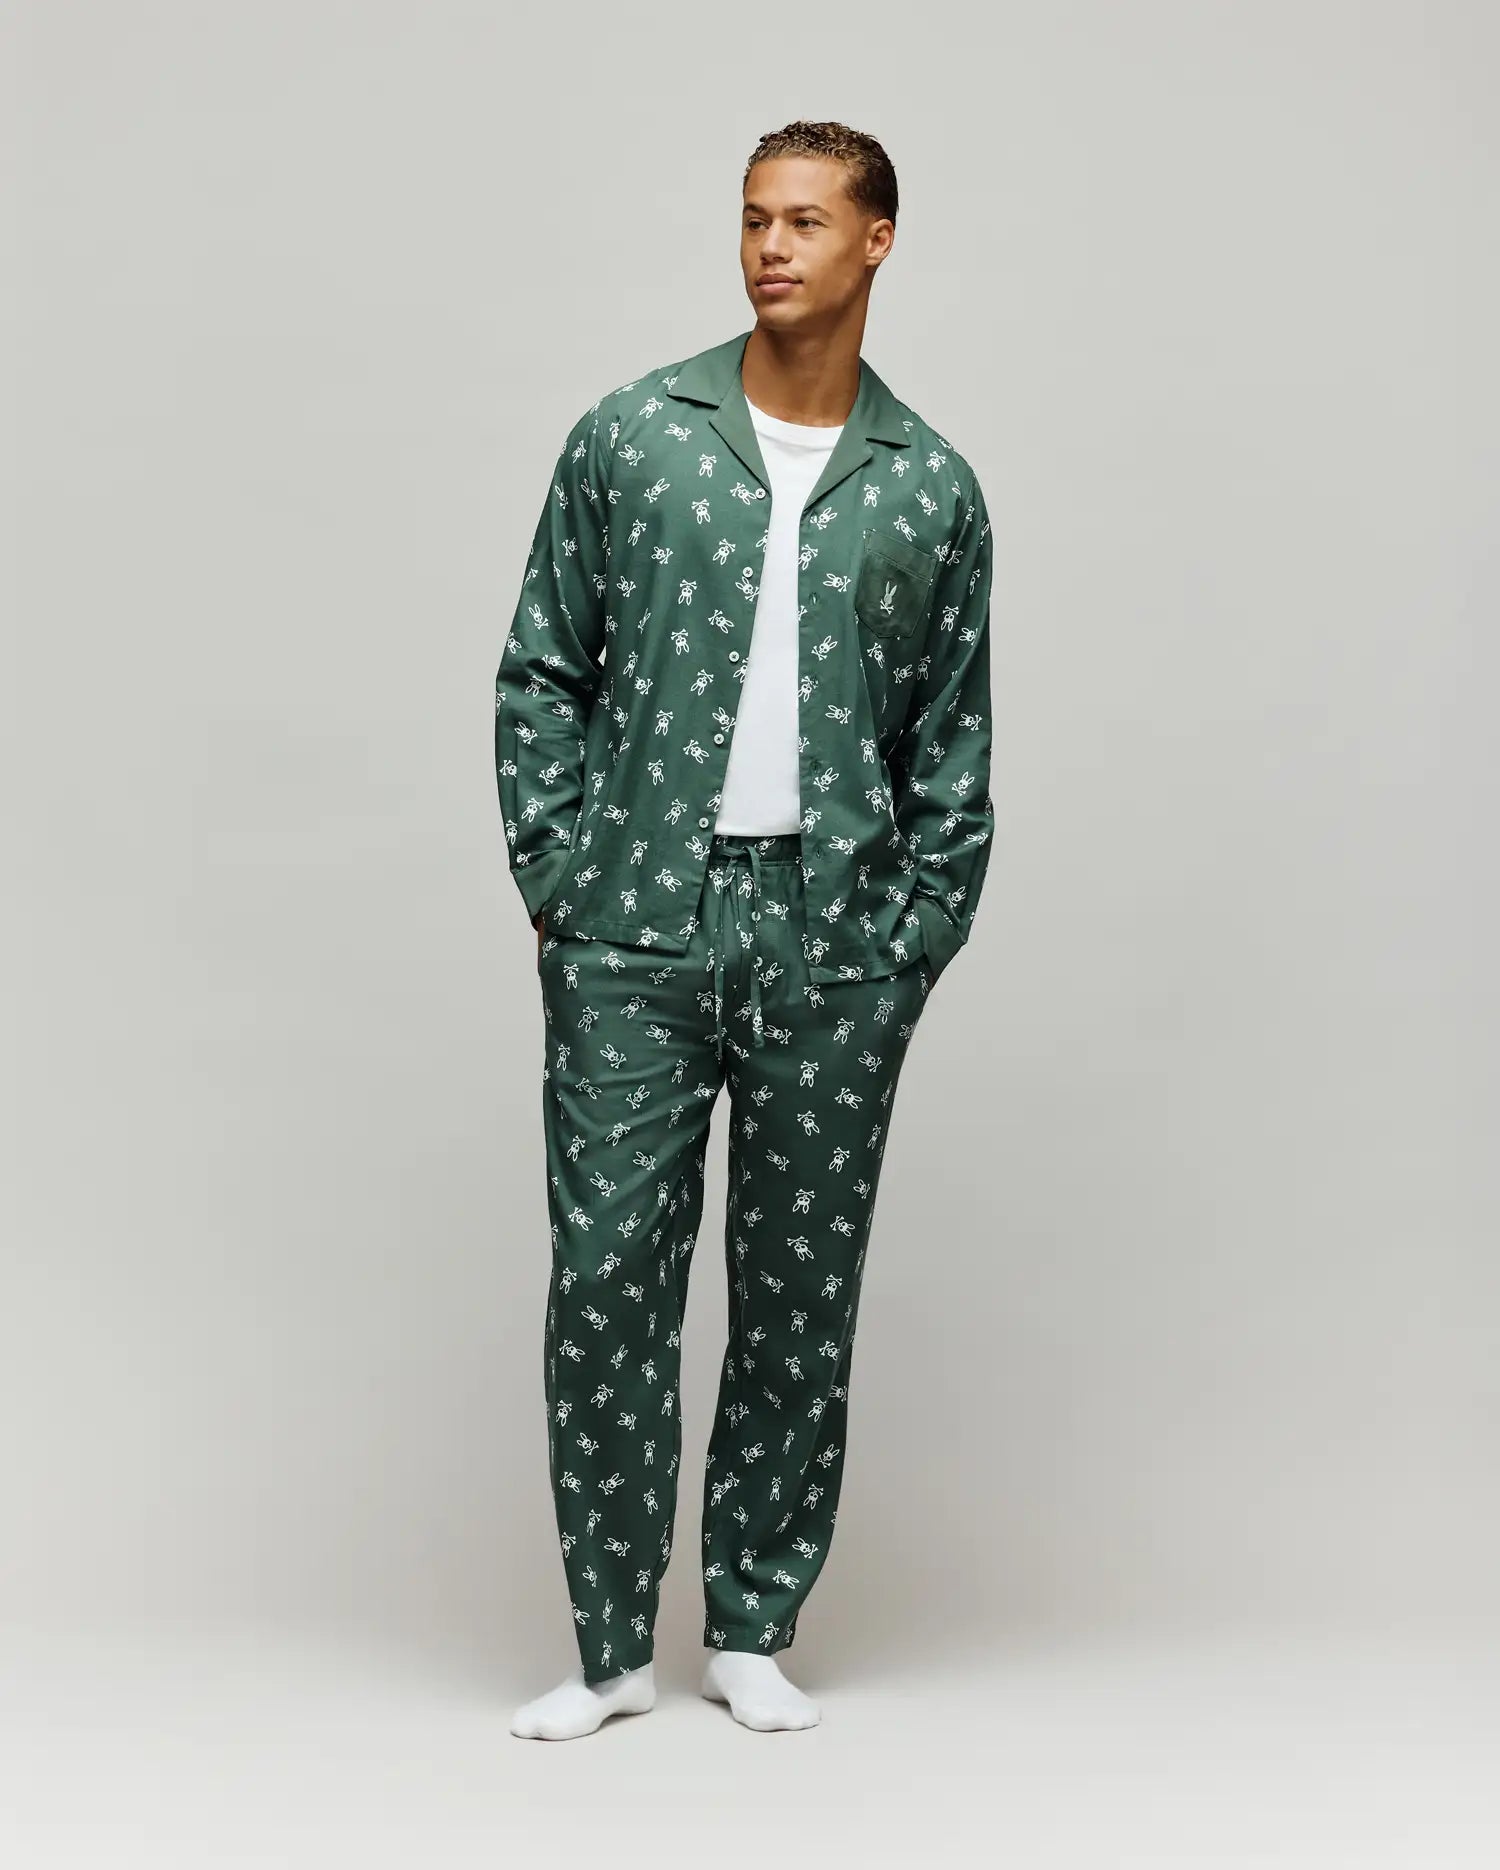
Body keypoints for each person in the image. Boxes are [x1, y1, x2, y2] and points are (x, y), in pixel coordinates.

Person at [496, 119, 995, 1739]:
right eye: (754, 219)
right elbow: (543, 669)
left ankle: (753, 1626)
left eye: (806, 222)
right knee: (606, 1279)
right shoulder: (634, 436)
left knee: (799, 1295)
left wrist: (911, 939)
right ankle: (607, 1648)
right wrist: (563, 881)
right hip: (634, 921)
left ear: (877, 242)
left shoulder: (930, 486)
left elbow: (953, 751)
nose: (771, 247)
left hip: (833, 935)